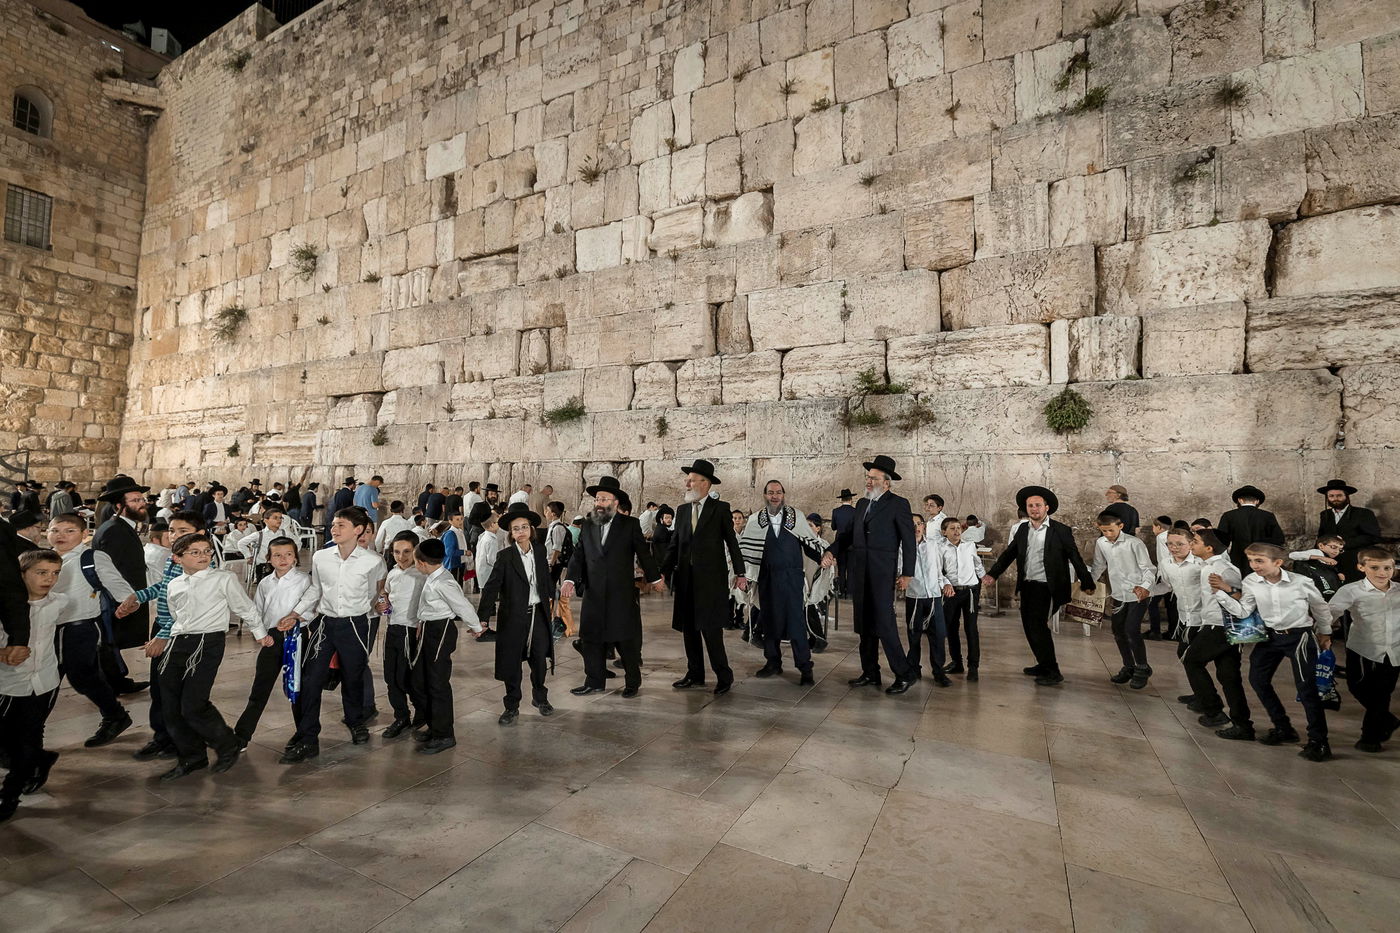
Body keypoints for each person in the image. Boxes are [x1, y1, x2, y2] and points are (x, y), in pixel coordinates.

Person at [277, 507, 387, 764]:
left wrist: (382, 603)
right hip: (325, 624)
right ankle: (307, 737)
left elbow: (379, 594)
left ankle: (355, 721)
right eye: (333, 525)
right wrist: (295, 613)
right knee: (310, 678)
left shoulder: (373, 561)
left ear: (358, 530)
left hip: (356, 625)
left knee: (353, 676)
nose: (334, 530)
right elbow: (315, 590)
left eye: (341, 525)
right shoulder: (321, 556)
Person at [151, 532, 260, 780]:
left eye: (207, 551)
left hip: (207, 641)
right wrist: (167, 639)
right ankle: (192, 756)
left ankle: (227, 744)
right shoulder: (174, 584)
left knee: (193, 703)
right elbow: (175, 614)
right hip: (179, 641)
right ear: (177, 558)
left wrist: (260, 633)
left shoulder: (223, 578)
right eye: (195, 552)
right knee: (170, 705)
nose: (204, 556)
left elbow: (244, 606)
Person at [1212, 543, 1334, 761]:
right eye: (1250, 560)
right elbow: (1244, 610)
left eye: (1259, 561)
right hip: (1270, 637)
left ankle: (1319, 741)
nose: (1253, 565)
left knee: (1306, 688)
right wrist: (1222, 596)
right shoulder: (1251, 581)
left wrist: (1324, 632)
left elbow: (1320, 607)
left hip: (1299, 636)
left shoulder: (1301, 582)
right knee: (1258, 679)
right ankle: (1283, 727)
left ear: (1278, 562)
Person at [982, 486, 1096, 687]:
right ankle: (1043, 664)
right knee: (1029, 627)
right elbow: (1010, 554)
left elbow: (1074, 556)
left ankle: (1053, 670)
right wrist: (993, 573)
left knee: (1038, 628)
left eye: (1038, 505)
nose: (1034, 509)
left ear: (1047, 507)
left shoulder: (1060, 530)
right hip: (1027, 585)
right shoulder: (1023, 529)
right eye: (1030, 506)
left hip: (1048, 587)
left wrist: (1087, 581)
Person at [562, 476, 661, 697]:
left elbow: (644, 554)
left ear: (616, 502)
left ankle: (632, 682)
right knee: (591, 638)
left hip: (620, 593)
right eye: (597, 498)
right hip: (594, 593)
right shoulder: (588, 524)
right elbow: (579, 556)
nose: (599, 503)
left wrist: (654, 579)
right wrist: (570, 578)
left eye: (604, 499)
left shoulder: (630, 524)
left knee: (625, 639)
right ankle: (594, 681)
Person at [120, 511, 205, 760]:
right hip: (164, 626)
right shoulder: (175, 558)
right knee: (159, 687)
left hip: (182, 633)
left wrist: (164, 636)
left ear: (200, 534)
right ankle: (163, 736)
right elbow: (164, 587)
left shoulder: (201, 564)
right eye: (172, 530)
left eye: (183, 532)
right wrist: (138, 596)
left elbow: (191, 606)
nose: (174, 536)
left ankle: (182, 741)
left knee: (176, 689)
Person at [834, 455, 919, 695]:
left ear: (887, 482)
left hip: (882, 573)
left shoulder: (898, 504)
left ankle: (904, 673)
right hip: (861, 572)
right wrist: (831, 552)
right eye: (867, 477)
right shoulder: (861, 504)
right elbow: (848, 536)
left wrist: (908, 573)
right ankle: (870, 672)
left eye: (873, 478)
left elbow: (908, 542)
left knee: (884, 624)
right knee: (864, 624)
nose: (868, 482)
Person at [47, 512, 132, 746]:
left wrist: (127, 603)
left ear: (85, 534)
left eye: (69, 531)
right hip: (47, 628)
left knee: (80, 677)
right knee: (53, 679)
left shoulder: (91, 557)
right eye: (55, 530)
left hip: (79, 627)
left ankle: (115, 716)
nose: (60, 535)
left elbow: (119, 586)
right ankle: (115, 715)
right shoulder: (44, 557)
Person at [662, 460, 747, 696]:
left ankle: (724, 675)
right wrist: (661, 571)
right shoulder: (682, 510)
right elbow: (674, 545)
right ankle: (695, 674)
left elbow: (731, 542)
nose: (687, 483)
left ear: (705, 483)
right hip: (686, 580)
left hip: (710, 581)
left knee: (710, 630)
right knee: (689, 629)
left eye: (692, 479)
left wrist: (740, 573)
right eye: (687, 479)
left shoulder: (720, 509)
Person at [737, 481, 830, 685]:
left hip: (791, 577)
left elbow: (809, 543)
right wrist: (742, 574)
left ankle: (805, 667)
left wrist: (822, 558)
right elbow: (745, 550)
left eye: (778, 492)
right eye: (770, 493)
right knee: (769, 621)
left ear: (784, 494)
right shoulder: (755, 520)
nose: (775, 496)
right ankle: (773, 662)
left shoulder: (795, 516)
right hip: (767, 578)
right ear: (765, 495)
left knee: (796, 623)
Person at [0, 549, 66, 822]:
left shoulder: (60, 602)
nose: (49, 579)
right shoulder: (5, 607)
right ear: (22, 574)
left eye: (55, 573)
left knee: (28, 736)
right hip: (8, 682)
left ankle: (10, 794)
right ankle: (39, 759)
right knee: (6, 738)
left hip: (44, 681)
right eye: (41, 572)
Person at [479, 503, 556, 724]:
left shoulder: (540, 551)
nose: (521, 532)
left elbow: (544, 578)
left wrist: (554, 598)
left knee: (539, 659)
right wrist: (483, 618)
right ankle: (511, 705)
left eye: (524, 527)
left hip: (538, 615)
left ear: (531, 529)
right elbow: (492, 587)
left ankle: (540, 698)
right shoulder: (505, 557)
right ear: (511, 533)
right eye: (516, 528)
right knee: (512, 663)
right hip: (513, 617)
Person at [232, 536, 309, 747]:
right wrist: (260, 634)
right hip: (272, 638)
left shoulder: (304, 580)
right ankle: (242, 735)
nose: (283, 559)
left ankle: (303, 735)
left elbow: (313, 607)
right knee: (260, 688)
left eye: (288, 554)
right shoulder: (266, 583)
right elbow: (257, 611)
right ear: (269, 558)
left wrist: (297, 618)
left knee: (298, 688)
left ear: (295, 557)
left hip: (297, 638)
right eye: (277, 555)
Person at [411, 537, 482, 753]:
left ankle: (444, 735)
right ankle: (434, 727)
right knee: (422, 680)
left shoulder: (444, 582)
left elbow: (463, 605)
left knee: (437, 683)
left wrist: (476, 626)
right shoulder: (434, 577)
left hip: (440, 632)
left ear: (421, 563)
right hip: (429, 629)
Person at [1328, 548, 1399, 753]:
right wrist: (1322, 633)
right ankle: (1386, 719)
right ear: (1361, 567)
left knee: (1382, 693)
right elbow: (1331, 611)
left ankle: (1370, 737)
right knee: (1357, 686)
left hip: (1394, 650)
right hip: (1363, 648)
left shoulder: (1399, 591)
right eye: (1375, 567)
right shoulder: (1351, 590)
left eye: (1388, 568)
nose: (1382, 572)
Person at [91, 475, 154, 694]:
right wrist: (125, 599)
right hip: (117, 598)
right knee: (109, 641)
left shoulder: (121, 526)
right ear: (120, 505)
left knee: (111, 643)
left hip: (125, 595)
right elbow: (109, 572)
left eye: (141, 499)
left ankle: (117, 681)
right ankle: (111, 684)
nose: (141, 503)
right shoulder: (115, 530)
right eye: (135, 500)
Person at [1089, 511, 1157, 690]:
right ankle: (1129, 666)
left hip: (1138, 593)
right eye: (1104, 531)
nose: (1108, 534)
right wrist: (1089, 583)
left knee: (1131, 630)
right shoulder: (1101, 543)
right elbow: (1099, 565)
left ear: (1120, 526)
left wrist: (1145, 586)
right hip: (1118, 593)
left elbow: (1148, 568)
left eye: (1111, 530)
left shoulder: (1134, 543)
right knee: (1118, 631)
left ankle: (1142, 668)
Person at [377, 532, 426, 738]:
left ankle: (423, 711)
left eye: (406, 551)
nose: (401, 556)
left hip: (411, 630)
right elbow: (385, 594)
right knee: (391, 677)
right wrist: (383, 601)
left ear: (415, 550)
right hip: (393, 628)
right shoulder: (393, 572)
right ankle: (401, 716)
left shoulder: (422, 574)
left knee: (406, 678)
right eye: (396, 552)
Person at [904, 513, 952, 688]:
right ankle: (913, 668)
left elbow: (940, 571)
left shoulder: (933, 545)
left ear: (923, 526)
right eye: (912, 524)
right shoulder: (903, 547)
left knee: (938, 635)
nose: (916, 527)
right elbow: (900, 570)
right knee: (914, 634)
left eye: (919, 523)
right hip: (914, 596)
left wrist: (946, 583)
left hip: (933, 596)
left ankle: (939, 671)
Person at [939, 518, 984, 680]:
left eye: (958, 528)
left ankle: (973, 666)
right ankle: (956, 662)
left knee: (971, 628)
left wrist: (984, 578)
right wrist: (945, 584)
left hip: (970, 591)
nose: (957, 531)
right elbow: (939, 570)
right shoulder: (940, 548)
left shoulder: (969, 545)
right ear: (944, 532)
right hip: (951, 592)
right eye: (952, 528)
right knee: (951, 627)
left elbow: (977, 564)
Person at [1315, 480, 1383, 583]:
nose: (1335, 499)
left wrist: (1343, 544)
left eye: (1339, 496)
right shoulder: (1325, 515)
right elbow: (1321, 537)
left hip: (1355, 558)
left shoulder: (1363, 513)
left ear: (1346, 496)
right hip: (1331, 558)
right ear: (1327, 497)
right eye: (1331, 496)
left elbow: (1374, 537)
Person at [1215, 485, 1284, 578]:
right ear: (1257, 501)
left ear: (1240, 500)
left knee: (1239, 584)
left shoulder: (1228, 516)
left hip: (1237, 558)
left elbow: (1220, 540)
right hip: (1262, 559)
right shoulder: (1268, 516)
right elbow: (1279, 539)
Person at [1144, 515, 1177, 641]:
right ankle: (1173, 632)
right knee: (1171, 605)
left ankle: (1155, 631)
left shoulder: (1161, 537)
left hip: (1165, 576)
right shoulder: (1173, 536)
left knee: (1152, 603)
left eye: (1153, 526)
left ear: (1158, 527)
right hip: (1174, 575)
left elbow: (1164, 558)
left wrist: (1163, 577)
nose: (1153, 529)